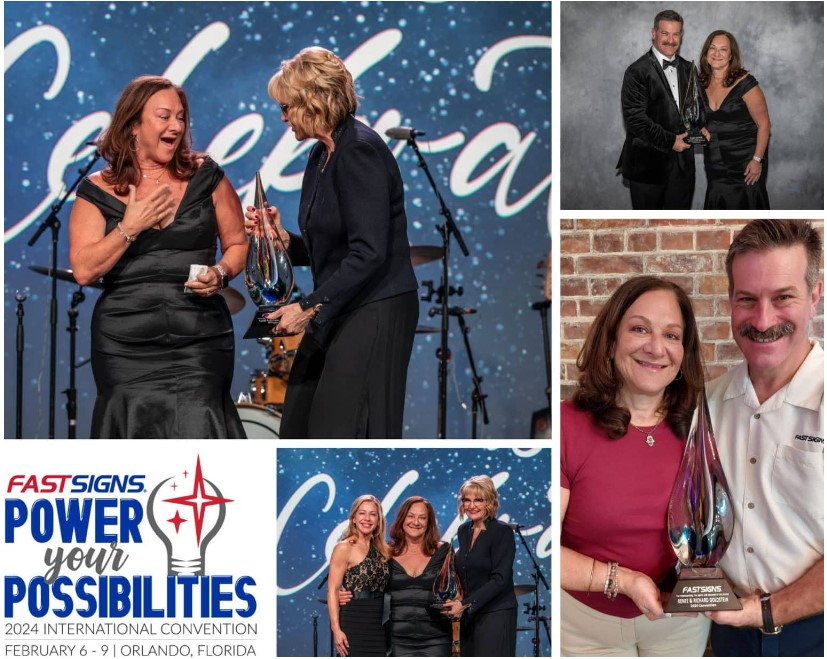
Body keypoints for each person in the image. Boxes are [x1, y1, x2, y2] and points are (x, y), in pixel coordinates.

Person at [245, 46, 419, 438]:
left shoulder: (359, 150)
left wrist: (307, 307)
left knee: (341, 426)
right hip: (338, 305)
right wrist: (282, 241)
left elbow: (369, 251)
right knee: (298, 423)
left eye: (287, 106)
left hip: (375, 307)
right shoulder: (319, 155)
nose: (283, 117)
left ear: (314, 101)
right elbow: (330, 248)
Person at [69, 75, 247, 438]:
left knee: (199, 418)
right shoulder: (97, 189)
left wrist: (221, 272)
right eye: (164, 116)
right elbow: (84, 271)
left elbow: (238, 244)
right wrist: (129, 227)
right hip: (125, 344)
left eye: (180, 117)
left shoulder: (207, 176)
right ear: (134, 125)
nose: (176, 126)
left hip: (200, 337)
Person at [560, 276, 711, 656]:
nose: (656, 347)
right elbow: (542, 550)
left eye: (672, 335)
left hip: (681, 624)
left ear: (683, 354)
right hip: (585, 627)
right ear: (611, 341)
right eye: (640, 329)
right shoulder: (566, 426)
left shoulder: (703, 429)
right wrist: (624, 580)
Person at [705, 219, 823, 656]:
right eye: (747, 299)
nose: (763, 319)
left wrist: (766, 611)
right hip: (728, 635)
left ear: (815, 294)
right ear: (730, 302)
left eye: (783, 297)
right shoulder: (707, 404)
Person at [338, 496, 453, 656]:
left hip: (437, 639)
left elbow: (459, 588)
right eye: (410, 516)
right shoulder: (386, 553)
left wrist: (457, 602)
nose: (416, 522)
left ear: (429, 522)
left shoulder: (443, 552)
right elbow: (368, 581)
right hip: (397, 640)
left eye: (422, 517)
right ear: (402, 519)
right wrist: (345, 594)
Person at [617, 10, 694, 210]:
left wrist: (700, 127)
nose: (671, 40)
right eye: (665, 33)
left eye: (676, 34)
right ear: (654, 33)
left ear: (681, 35)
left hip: (682, 170)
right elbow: (635, 120)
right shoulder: (636, 71)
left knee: (678, 226)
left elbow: (695, 110)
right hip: (647, 169)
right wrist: (671, 141)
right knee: (648, 226)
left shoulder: (689, 69)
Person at [441, 475, 517, 656]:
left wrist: (465, 603)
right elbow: (464, 570)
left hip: (496, 613)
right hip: (469, 614)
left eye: (478, 500)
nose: (471, 505)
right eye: (467, 500)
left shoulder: (502, 531)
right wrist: (457, 597)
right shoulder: (464, 531)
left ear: (489, 502)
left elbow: (500, 579)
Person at [698, 30, 771, 209]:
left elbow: (764, 125)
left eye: (723, 49)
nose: (717, 53)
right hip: (715, 165)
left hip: (746, 165)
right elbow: (702, 120)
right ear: (706, 53)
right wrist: (700, 129)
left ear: (731, 56)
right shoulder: (700, 83)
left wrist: (757, 160)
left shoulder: (746, 83)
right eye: (712, 48)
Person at [328, 494, 391, 657]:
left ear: (379, 520)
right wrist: (336, 629)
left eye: (373, 514)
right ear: (354, 518)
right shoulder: (344, 548)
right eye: (362, 513)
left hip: (379, 624)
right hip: (353, 622)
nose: (367, 519)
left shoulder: (385, 550)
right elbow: (333, 590)